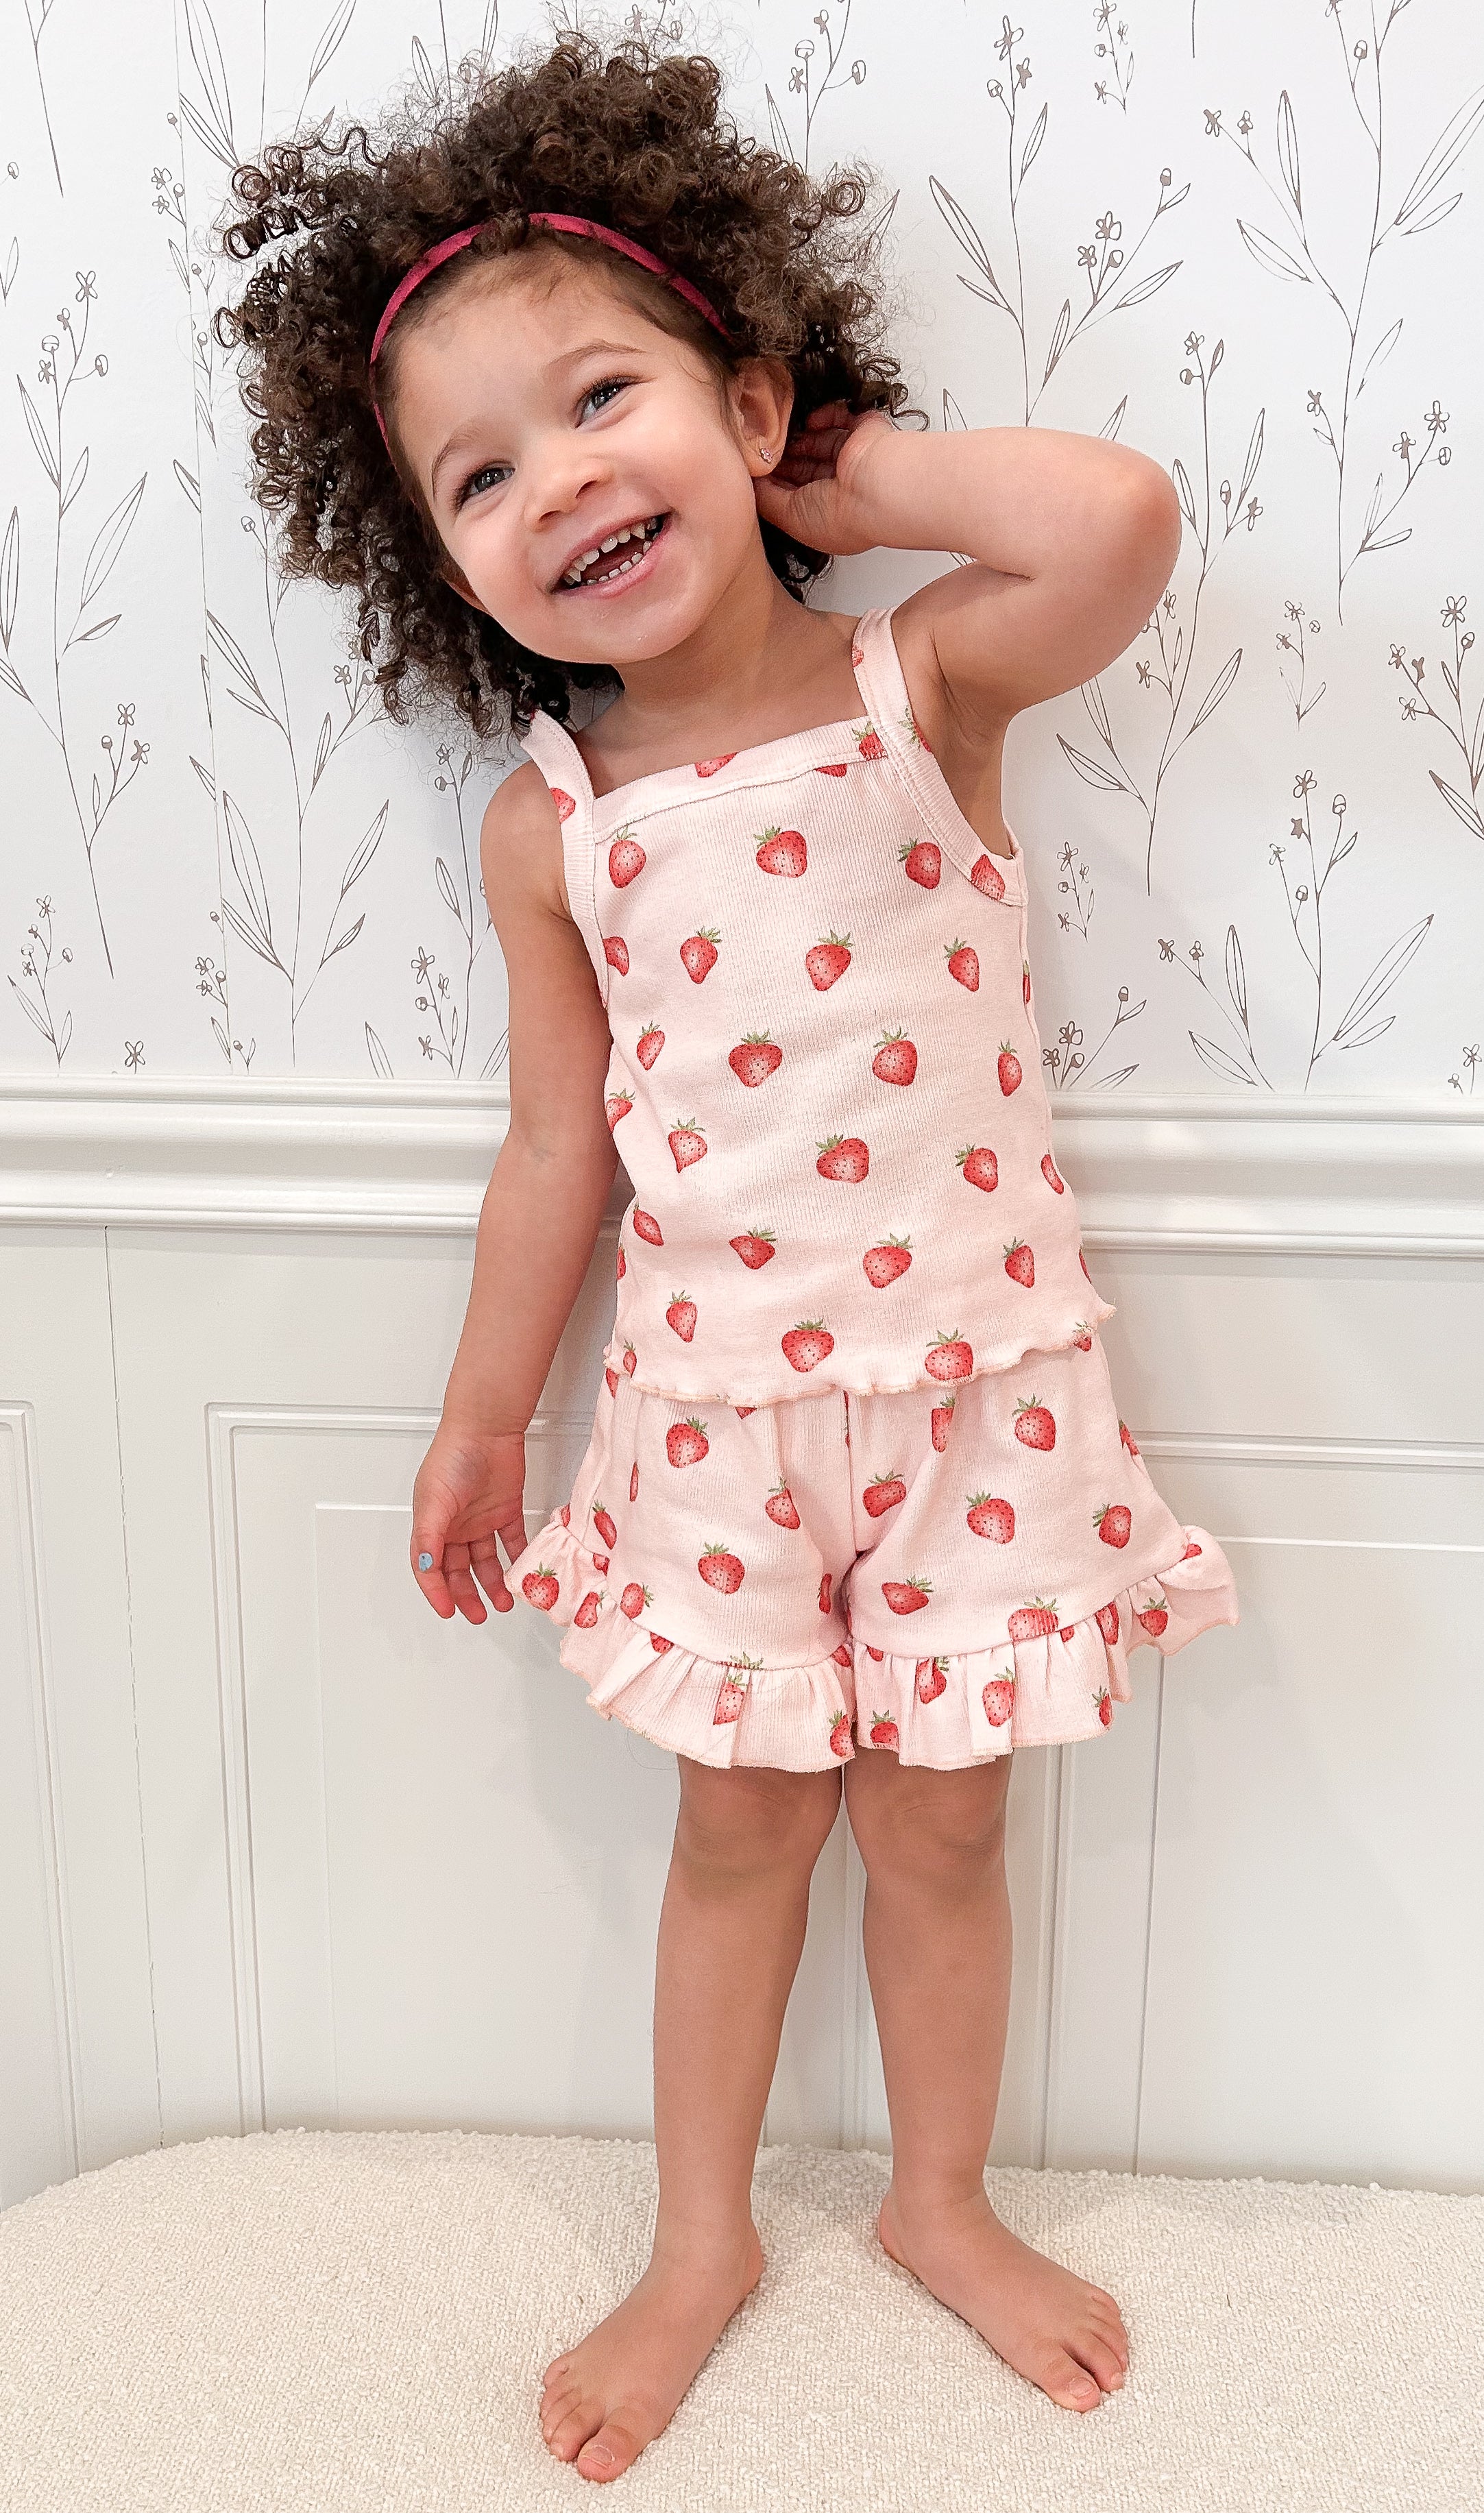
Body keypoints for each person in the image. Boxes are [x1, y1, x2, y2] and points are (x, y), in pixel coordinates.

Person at [217, 27, 1238, 2484]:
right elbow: (554, 1154)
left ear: (746, 397)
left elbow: (1108, 520)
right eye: (482, 471)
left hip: (984, 1383)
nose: (561, 478)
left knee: (952, 1822)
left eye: (607, 401)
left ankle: (940, 2199)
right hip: (709, 1419)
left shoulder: (922, 683)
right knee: (740, 1828)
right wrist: (484, 1408)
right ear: (434, 560)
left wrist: (843, 470)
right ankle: (702, 2236)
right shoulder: (549, 824)